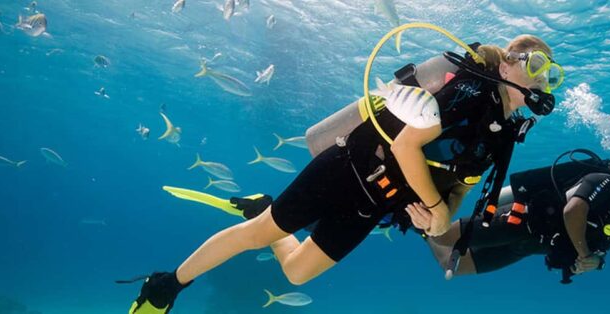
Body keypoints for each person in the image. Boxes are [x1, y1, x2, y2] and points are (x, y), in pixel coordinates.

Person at [127, 32, 564, 313]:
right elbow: (405, 144)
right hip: (349, 167)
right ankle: (169, 284)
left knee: (296, 274)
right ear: (506, 64)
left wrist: (440, 219)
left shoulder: (502, 136)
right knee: (254, 235)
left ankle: (267, 211)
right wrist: (432, 203)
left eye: (551, 75)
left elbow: (460, 193)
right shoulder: (470, 90)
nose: (542, 81)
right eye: (535, 66)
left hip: (375, 205)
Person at [415, 146, 610, 284]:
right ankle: (422, 210)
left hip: (532, 246)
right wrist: (584, 254)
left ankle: (422, 230)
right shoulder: (606, 180)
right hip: (521, 221)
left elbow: (602, 249)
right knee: (445, 236)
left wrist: (595, 263)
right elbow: (574, 209)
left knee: (456, 268)